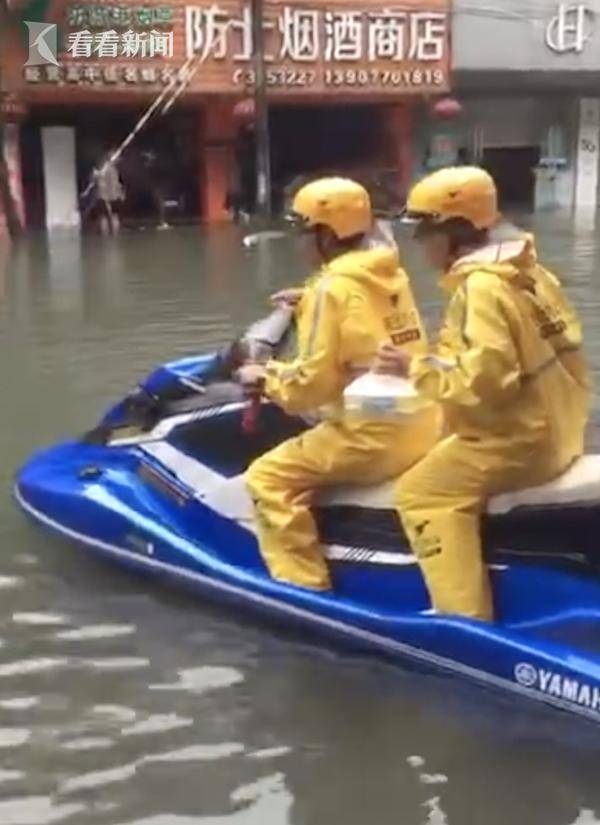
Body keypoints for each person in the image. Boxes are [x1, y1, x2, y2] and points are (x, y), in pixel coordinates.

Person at [376, 166, 590, 621]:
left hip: (519, 441)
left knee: (420, 493)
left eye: (425, 231)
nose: (419, 244)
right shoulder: (530, 273)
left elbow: (486, 381)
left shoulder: (481, 287)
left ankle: (463, 618)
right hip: (561, 427)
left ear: (456, 231)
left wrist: (412, 367)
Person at [240, 177, 439, 591]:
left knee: (267, 478)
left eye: (304, 231)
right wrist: (308, 296)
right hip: (421, 418)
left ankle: (303, 586)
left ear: (326, 235)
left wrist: (265, 376)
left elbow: (309, 387)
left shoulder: (331, 289)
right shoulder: (388, 274)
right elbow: (363, 318)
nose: (299, 243)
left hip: (375, 434)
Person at [92, 150, 124, 235]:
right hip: (108, 196)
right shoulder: (109, 169)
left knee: (106, 217)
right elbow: (114, 184)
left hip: (106, 196)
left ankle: (108, 237)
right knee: (109, 217)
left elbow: (114, 184)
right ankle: (112, 237)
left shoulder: (104, 169)